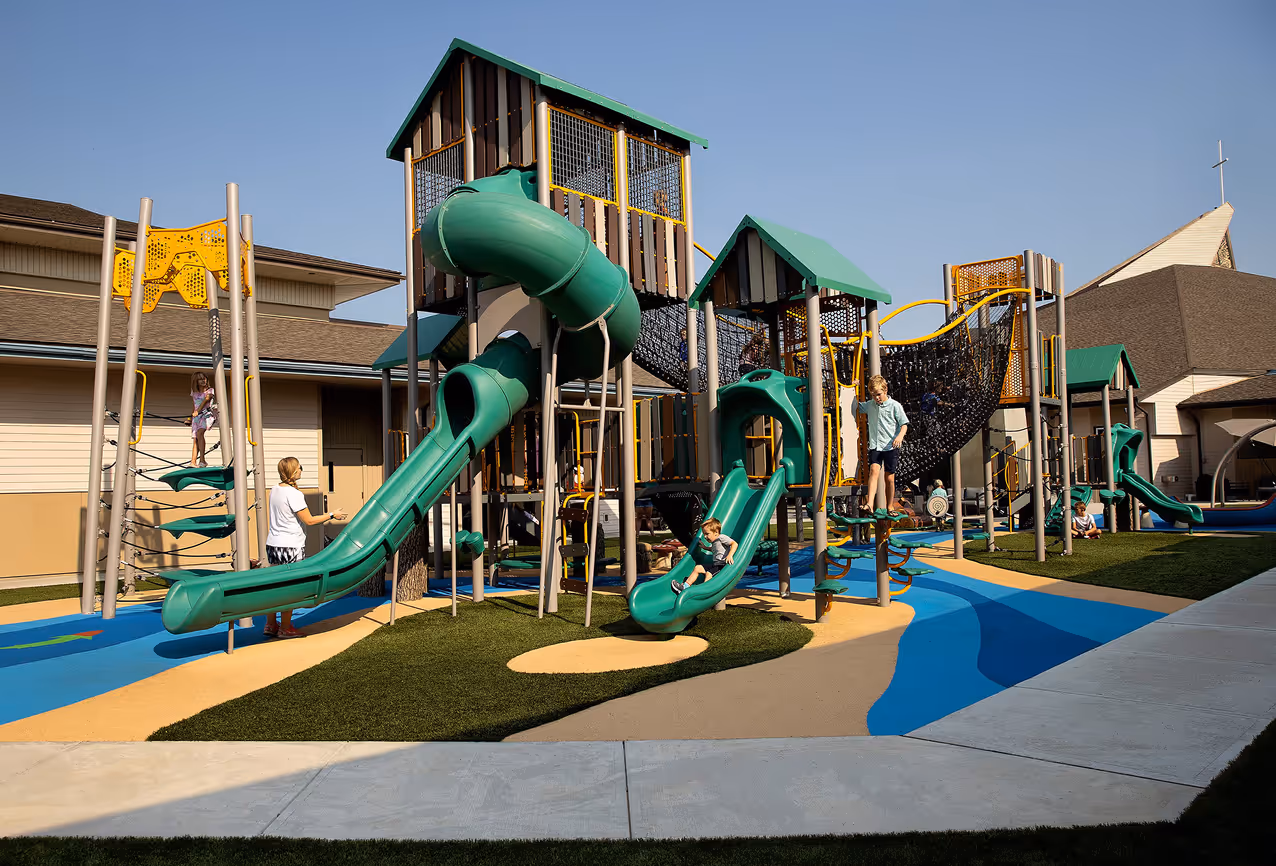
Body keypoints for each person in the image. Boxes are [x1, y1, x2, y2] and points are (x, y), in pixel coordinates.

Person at [264, 457, 347, 638]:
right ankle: (285, 628)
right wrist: (332, 514)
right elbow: (309, 520)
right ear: (294, 471)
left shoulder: (275, 490)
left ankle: (270, 624)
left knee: (274, 586)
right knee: (290, 588)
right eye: (300, 467)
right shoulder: (294, 494)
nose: (302, 470)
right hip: (291, 546)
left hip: (273, 544)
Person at [853, 375, 909, 517]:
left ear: (885, 390)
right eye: (873, 395)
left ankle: (890, 506)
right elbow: (855, 405)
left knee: (889, 478)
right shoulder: (870, 405)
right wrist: (855, 387)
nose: (876, 398)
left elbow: (904, 424)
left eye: (878, 394)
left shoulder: (895, 405)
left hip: (890, 445)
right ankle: (870, 504)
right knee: (873, 471)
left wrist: (900, 436)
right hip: (876, 445)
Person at [671, 517, 737, 594]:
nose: (705, 536)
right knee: (698, 568)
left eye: (707, 534)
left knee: (709, 574)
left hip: (722, 566)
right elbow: (715, 550)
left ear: (716, 532)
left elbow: (734, 543)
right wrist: (705, 548)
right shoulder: (715, 542)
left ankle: (704, 592)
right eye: (704, 534)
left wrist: (730, 555)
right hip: (715, 565)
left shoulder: (721, 537)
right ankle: (684, 587)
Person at [186, 372, 217, 467]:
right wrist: (190, 418)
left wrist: (198, 411)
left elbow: (206, 400)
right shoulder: (194, 393)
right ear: (196, 381)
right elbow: (194, 406)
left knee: (200, 433)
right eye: (200, 379)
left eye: (204, 379)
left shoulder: (210, 391)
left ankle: (202, 460)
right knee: (195, 439)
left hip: (206, 415)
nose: (203, 381)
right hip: (197, 417)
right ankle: (193, 461)